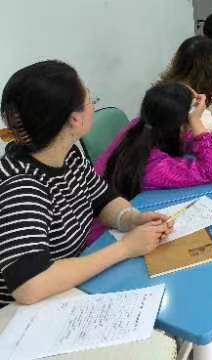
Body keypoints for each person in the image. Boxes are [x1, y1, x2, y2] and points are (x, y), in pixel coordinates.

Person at [0, 61, 172, 308]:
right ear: (74, 119)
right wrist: (125, 248)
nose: (93, 105)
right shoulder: (21, 186)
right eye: (90, 99)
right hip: (27, 313)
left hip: (68, 288)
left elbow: (103, 199)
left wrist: (133, 218)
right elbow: (30, 285)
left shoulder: (67, 156)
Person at [88, 83, 212, 244]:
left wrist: (202, 138)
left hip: (124, 216)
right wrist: (196, 122)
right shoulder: (153, 166)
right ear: (180, 124)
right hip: (106, 239)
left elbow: (186, 140)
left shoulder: (143, 126)